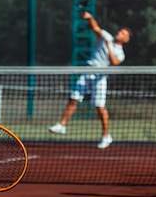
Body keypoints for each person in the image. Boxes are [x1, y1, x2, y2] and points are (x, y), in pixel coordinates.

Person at [49, 11, 131, 149]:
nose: (119, 33)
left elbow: (114, 62)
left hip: (100, 76)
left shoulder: (120, 53)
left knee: (99, 106)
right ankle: (62, 125)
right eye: (120, 31)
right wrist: (90, 18)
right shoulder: (107, 37)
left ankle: (106, 136)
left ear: (126, 39)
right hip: (88, 70)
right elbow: (95, 27)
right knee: (73, 98)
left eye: (123, 33)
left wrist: (108, 47)